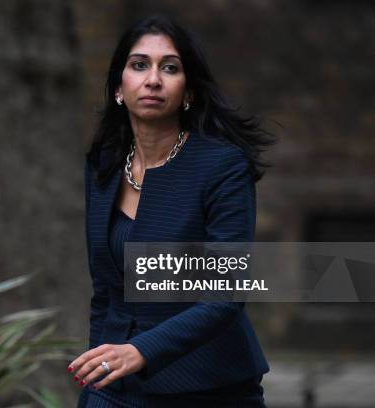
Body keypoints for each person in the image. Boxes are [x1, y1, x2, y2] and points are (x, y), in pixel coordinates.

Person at [67, 14, 275, 408]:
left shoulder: (222, 166)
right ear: (117, 87)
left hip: (208, 386)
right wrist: (96, 374)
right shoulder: (103, 166)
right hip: (117, 388)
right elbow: (105, 291)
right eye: (139, 64)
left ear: (189, 91)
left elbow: (224, 297)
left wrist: (141, 351)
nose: (153, 80)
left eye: (170, 68)